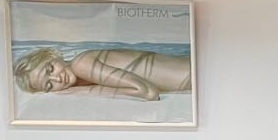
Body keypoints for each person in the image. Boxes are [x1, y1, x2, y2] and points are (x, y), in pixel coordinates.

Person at [13, 46, 191, 100]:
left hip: (193, 74)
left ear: (53, 56)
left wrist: (82, 91)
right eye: (49, 84)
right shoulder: (83, 70)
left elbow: (149, 93)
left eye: (50, 69)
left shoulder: (81, 64)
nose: (57, 78)